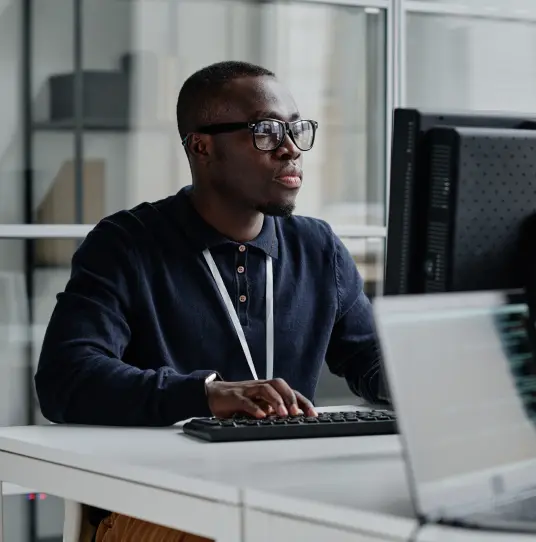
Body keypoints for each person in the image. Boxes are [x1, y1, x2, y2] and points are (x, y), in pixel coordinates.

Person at [35, 61, 387, 542]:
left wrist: (436, 385)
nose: (290, 149)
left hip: (286, 498)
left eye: (296, 130)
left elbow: (368, 359)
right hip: (158, 505)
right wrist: (206, 394)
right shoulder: (126, 243)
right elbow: (66, 378)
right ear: (202, 146)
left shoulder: (317, 247)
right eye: (266, 132)